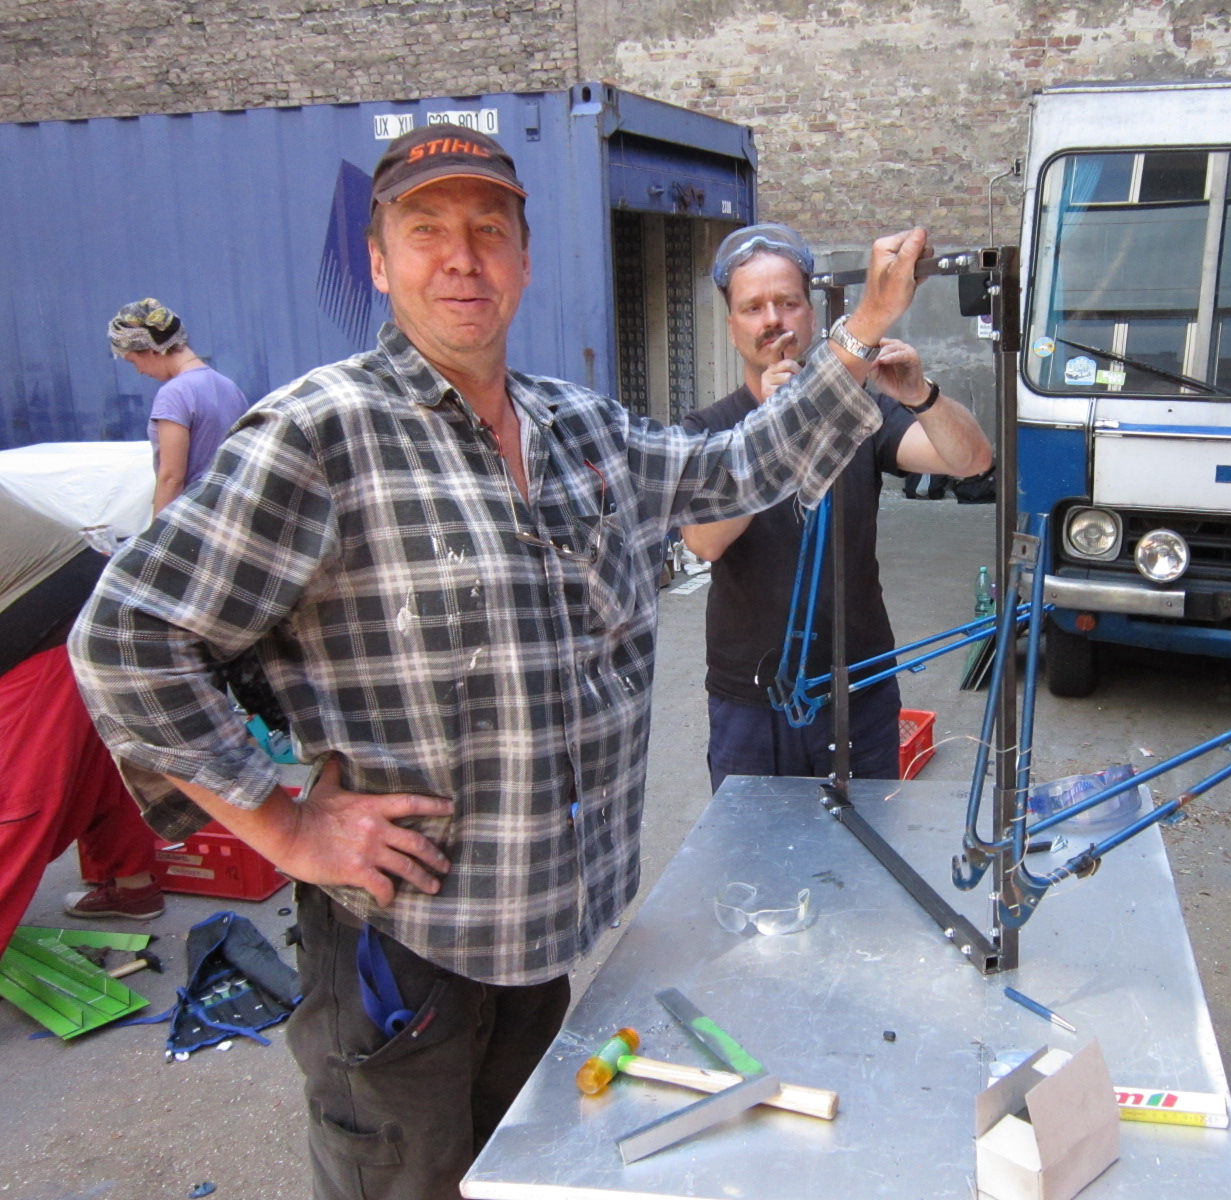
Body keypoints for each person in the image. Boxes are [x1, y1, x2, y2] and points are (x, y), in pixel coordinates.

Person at [70, 125, 930, 1200]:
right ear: (379, 264)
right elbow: (126, 638)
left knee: (521, 1180)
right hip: (404, 950)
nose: (461, 258)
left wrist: (863, 330)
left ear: (524, 260)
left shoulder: (577, 427)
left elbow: (739, 465)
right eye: (425, 231)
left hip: (544, 937)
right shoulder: (321, 434)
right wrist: (282, 825)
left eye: (488, 230)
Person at [679, 224, 991, 792]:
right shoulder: (710, 427)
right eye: (753, 307)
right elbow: (705, 541)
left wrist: (921, 394)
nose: (773, 320)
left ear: (812, 314)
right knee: (752, 845)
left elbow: (971, 460)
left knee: (864, 842)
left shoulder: (860, 411)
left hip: (859, 686)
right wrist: (774, 425)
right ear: (732, 327)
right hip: (751, 698)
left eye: (787, 303)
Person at [0, 489, 164, 944]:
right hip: (97, 597)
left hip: (40, 620)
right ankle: (133, 887)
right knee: (106, 758)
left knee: (14, 802)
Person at [107, 299, 252, 516]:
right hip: (235, 514)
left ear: (152, 350)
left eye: (133, 361)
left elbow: (172, 478)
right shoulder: (230, 387)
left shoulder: (174, 393)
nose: (139, 371)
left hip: (194, 520)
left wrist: (158, 532)